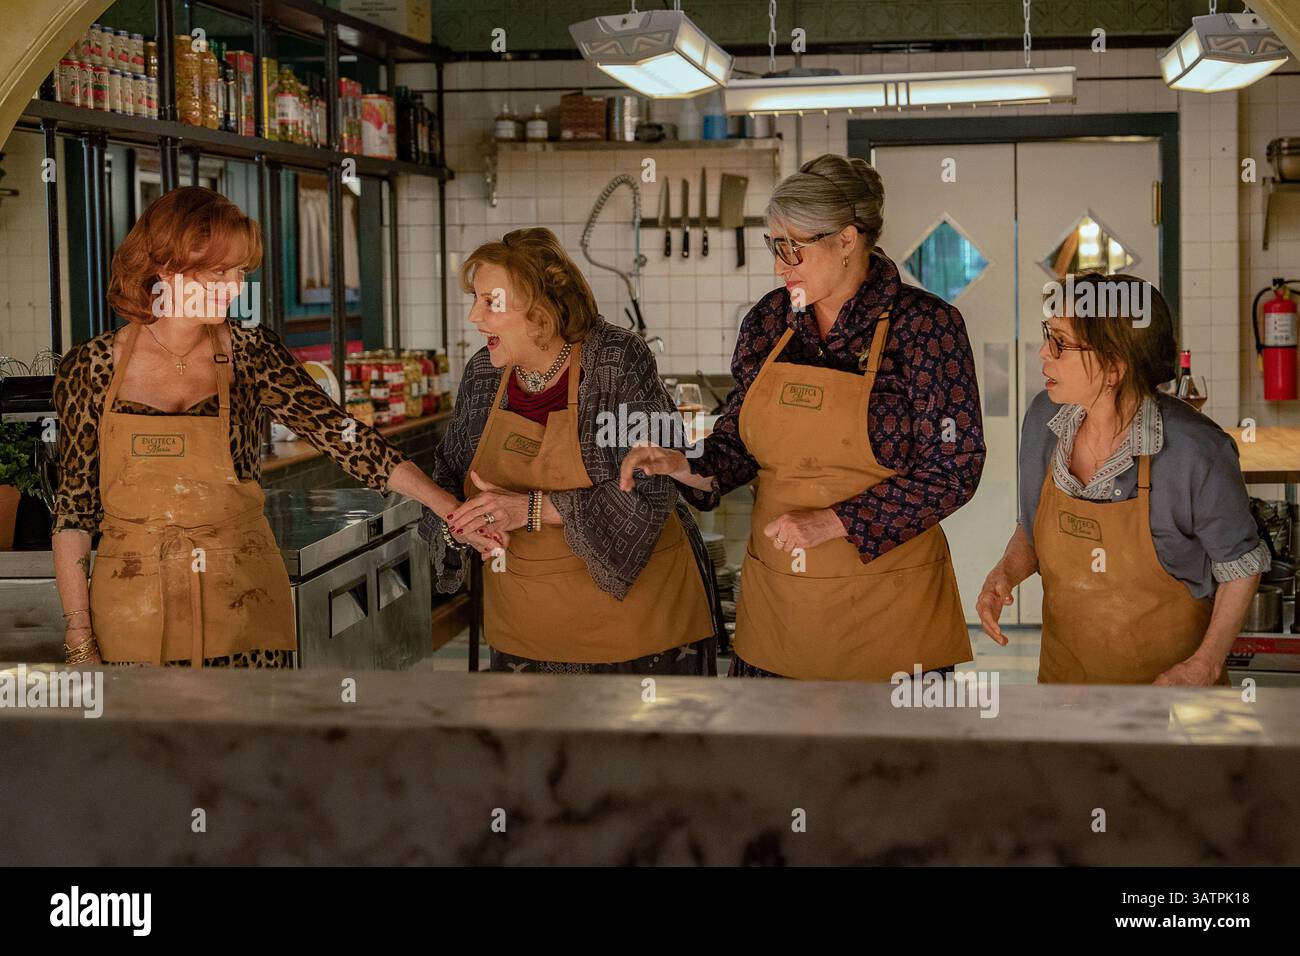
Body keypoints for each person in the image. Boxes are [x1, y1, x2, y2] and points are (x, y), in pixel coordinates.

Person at [51, 186, 497, 668]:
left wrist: (451, 510)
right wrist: (79, 636)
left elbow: (342, 435)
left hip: (242, 599)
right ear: (163, 266)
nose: (234, 287)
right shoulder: (91, 367)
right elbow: (74, 511)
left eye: (240, 272)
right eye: (217, 271)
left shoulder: (250, 353)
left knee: (251, 743)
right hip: (133, 606)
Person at [620, 154, 985, 680]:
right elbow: (739, 444)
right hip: (781, 609)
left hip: (892, 612)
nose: (779, 264)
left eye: (793, 247)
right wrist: (680, 463)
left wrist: (833, 523)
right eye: (775, 245)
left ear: (846, 240)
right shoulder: (769, 322)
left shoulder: (926, 327)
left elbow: (955, 468)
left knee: (891, 763)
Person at [418, 227, 722, 674]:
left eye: (490, 302)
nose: (474, 317)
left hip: (638, 628)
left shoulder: (616, 359)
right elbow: (447, 474)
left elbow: (653, 488)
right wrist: (457, 525)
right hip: (525, 630)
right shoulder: (484, 372)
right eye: (475, 299)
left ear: (541, 311)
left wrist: (531, 509)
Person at [976, 272, 1265, 684]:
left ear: (1113, 367)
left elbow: (1240, 567)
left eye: (1060, 341)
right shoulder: (1044, 419)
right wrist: (1003, 573)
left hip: (1170, 702)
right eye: (1047, 335)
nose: (1043, 352)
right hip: (1066, 693)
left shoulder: (1196, 451)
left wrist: (1206, 663)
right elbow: (1032, 527)